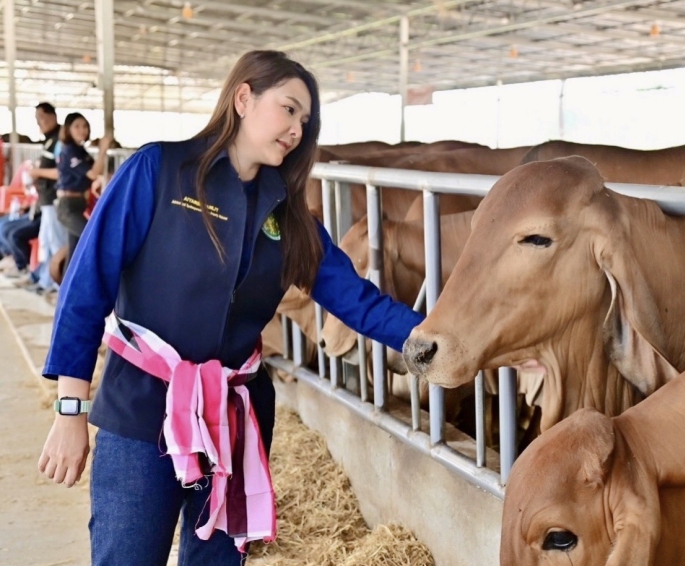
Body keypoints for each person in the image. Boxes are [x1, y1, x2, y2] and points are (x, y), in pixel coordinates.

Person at [38, 50, 424, 566]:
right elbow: (86, 287)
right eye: (288, 109)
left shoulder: (289, 218)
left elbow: (358, 303)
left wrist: (442, 339)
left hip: (233, 420)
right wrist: (70, 411)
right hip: (142, 411)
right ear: (243, 97)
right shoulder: (159, 169)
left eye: (305, 121)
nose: (296, 129)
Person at [53, 112, 111, 274]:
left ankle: (64, 295)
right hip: (68, 207)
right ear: (67, 129)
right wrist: (103, 151)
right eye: (77, 126)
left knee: (74, 252)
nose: (82, 130)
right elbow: (93, 173)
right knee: (93, 239)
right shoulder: (70, 150)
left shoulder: (80, 151)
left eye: (85, 126)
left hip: (77, 205)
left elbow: (96, 173)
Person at [26, 102, 66, 295]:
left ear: (52, 116)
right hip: (46, 200)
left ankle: (61, 285)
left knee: (57, 242)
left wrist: (37, 171)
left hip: (55, 199)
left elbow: (61, 171)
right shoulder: (50, 140)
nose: (39, 123)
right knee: (47, 242)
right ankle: (46, 281)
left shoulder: (60, 139)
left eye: (41, 118)